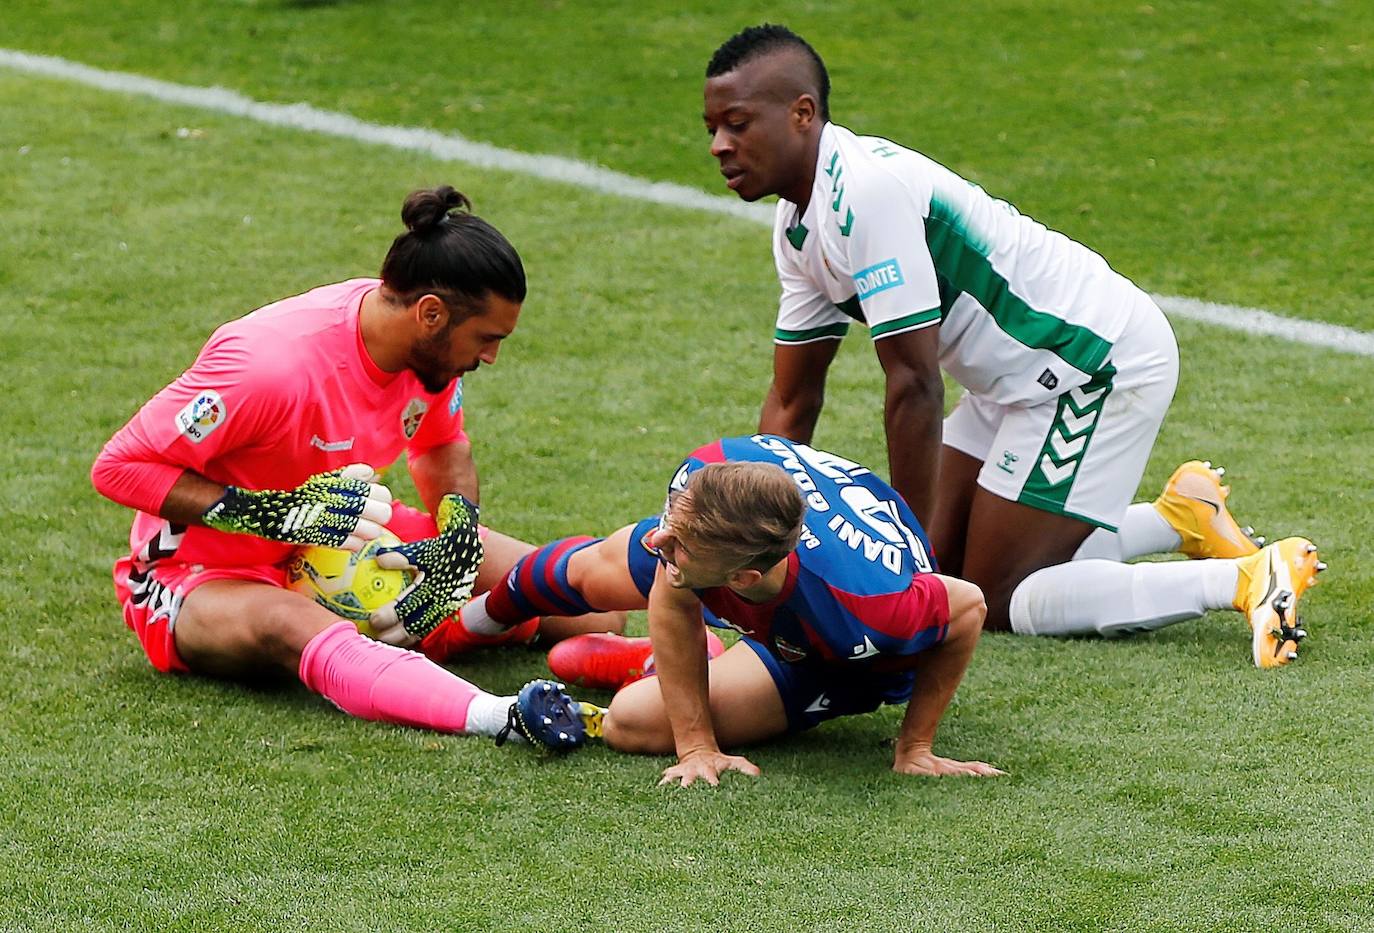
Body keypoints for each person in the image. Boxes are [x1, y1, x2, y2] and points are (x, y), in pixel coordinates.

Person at [699, 25, 1324, 666]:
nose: (720, 146)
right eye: (713, 127)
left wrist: (904, 559)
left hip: (1090, 365)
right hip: (1011, 385)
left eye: (738, 124)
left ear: (803, 113)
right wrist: (749, 534)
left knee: (995, 596)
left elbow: (913, 384)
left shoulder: (867, 192)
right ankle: (1180, 518)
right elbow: (794, 396)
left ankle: (1246, 580)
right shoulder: (798, 226)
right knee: (951, 567)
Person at [90, 185, 596, 750]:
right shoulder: (269, 367)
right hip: (196, 574)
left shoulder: (426, 352)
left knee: (575, 604)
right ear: (431, 313)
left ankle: (485, 631)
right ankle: (501, 716)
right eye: (486, 338)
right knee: (290, 624)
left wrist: (458, 531)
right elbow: (118, 467)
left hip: (334, 538)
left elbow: (440, 446)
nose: (490, 357)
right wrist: (271, 515)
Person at [457, 434, 1005, 786]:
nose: (658, 542)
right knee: (590, 570)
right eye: (671, 521)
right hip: (749, 559)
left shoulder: (867, 608)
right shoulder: (711, 475)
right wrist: (473, 623)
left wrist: (916, 746)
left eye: (679, 543)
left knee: (632, 722)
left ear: (743, 579)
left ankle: (666, 663)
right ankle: (477, 617)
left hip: (832, 659)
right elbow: (675, 584)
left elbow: (967, 606)